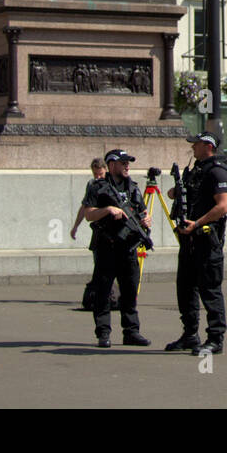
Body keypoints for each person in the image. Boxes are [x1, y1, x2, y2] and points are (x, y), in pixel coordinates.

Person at [165, 132, 227, 356]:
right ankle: (190, 334)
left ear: (208, 146)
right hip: (189, 240)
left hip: (206, 239)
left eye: (196, 144)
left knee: (210, 291)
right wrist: (176, 192)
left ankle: (215, 339)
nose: (192, 147)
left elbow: (223, 206)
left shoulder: (217, 172)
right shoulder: (195, 171)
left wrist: (197, 223)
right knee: (185, 289)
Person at [81, 149, 152, 348]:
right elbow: (88, 213)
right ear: (112, 165)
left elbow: (142, 211)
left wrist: (146, 219)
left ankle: (131, 331)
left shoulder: (133, 187)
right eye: (123, 163)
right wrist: (108, 210)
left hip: (128, 247)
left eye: (128, 162)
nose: (127, 166)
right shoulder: (98, 187)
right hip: (106, 246)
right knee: (103, 291)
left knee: (130, 291)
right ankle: (103, 333)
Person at [70, 158, 107, 241]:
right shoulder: (92, 184)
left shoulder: (112, 182)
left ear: (106, 169)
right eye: (95, 174)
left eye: (101, 174)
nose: (98, 177)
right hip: (99, 227)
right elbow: (85, 206)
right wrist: (76, 226)